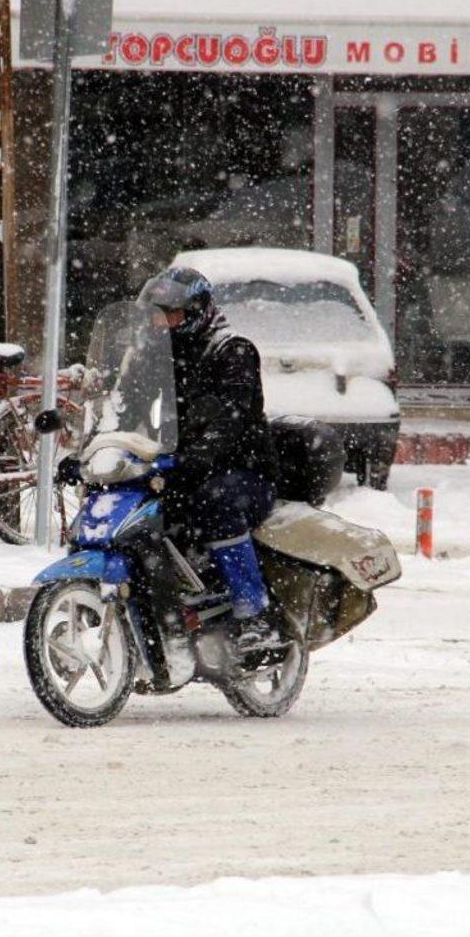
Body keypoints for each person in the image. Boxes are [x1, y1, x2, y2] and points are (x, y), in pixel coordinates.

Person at [138, 266, 281, 653]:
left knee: (216, 501)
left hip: (241, 470)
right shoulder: (152, 356)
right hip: (178, 467)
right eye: (155, 316)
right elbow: (123, 408)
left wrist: (196, 457)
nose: (161, 324)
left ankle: (255, 615)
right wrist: (91, 450)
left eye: (170, 315)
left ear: (197, 313)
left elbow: (230, 419)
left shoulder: (231, 350)